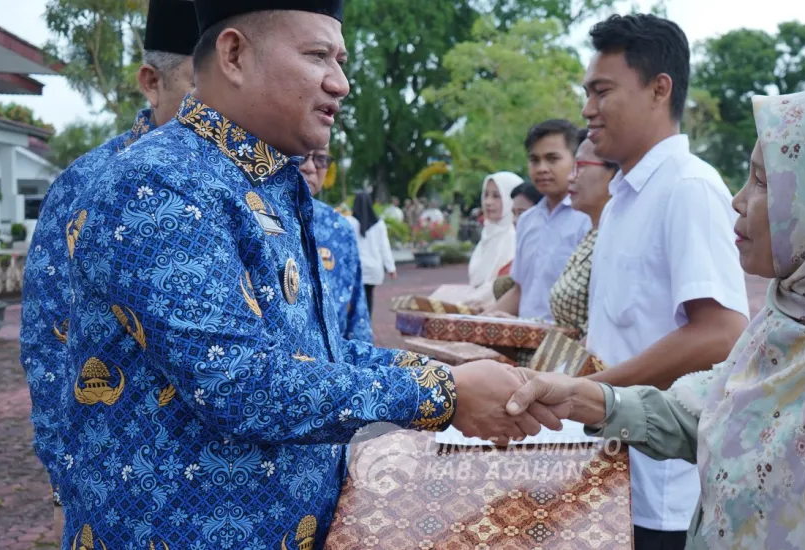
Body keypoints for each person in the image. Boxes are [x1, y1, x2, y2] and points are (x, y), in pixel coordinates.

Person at [58, 2, 550, 546]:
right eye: (318, 56)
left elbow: (313, 355)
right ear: (234, 54)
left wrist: (449, 371)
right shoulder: (159, 183)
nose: (340, 83)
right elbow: (239, 383)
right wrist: (443, 392)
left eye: (341, 61)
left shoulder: (265, 180)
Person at [509, 88, 805, 550]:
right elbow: (716, 410)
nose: (738, 200)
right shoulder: (795, 324)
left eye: (763, 182)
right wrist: (580, 398)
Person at [17, 0, 199, 540]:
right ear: (152, 82)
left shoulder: (257, 182)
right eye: (199, 83)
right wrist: (62, 483)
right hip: (123, 499)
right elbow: (50, 342)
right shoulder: (88, 184)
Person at [579, 14, 751, 549]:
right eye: (586, 93)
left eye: (602, 91)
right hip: (615, 465)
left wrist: (596, 394)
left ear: (659, 89)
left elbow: (721, 333)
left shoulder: (689, 188)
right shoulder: (623, 199)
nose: (587, 109)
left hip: (664, 486)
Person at [484, 120, 592, 322]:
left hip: (567, 337)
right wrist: (484, 321)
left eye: (552, 159)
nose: (541, 168)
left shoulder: (588, 218)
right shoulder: (526, 220)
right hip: (523, 335)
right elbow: (520, 290)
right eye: (534, 160)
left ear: (576, 161)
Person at [299, 143, 372, 341]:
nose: (310, 167)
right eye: (300, 155)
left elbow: (356, 313)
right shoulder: (255, 217)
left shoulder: (339, 228)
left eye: (320, 159)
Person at [545, 135, 615, 339]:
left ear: (615, 175)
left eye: (581, 167)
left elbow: (598, 334)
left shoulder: (615, 240)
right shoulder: (592, 235)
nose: (570, 177)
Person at [461, 172, 523, 306]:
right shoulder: (488, 234)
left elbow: (507, 285)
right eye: (486, 195)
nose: (488, 202)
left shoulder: (514, 237)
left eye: (496, 196)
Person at [347, 190, 395, 316]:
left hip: (356, 268)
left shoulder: (349, 222)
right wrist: (391, 268)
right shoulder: (379, 224)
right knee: (368, 295)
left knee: (355, 298)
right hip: (374, 268)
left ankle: (357, 323)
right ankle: (367, 322)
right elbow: (384, 247)